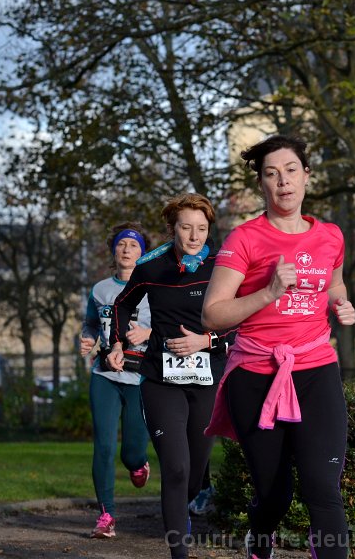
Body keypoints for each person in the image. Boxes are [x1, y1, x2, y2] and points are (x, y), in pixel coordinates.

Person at [202, 135, 355, 559]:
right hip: (256, 376)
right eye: (271, 174)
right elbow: (212, 315)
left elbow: (334, 284)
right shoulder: (244, 239)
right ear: (262, 185)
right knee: (275, 494)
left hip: (316, 368)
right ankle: (260, 534)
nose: (283, 181)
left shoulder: (331, 236)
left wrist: (340, 304)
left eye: (290, 170)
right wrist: (269, 292)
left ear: (306, 175)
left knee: (324, 490)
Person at [107, 193, 231, 559]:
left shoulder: (222, 265)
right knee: (176, 468)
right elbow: (123, 304)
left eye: (201, 229)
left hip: (207, 378)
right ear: (171, 228)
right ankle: (179, 551)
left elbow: (240, 320)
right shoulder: (151, 267)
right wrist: (117, 343)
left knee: (192, 474)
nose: (194, 236)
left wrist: (205, 341)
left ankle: (186, 503)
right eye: (186, 228)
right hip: (161, 379)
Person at [80, 222, 152, 539]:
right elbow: (90, 324)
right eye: (121, 244)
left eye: (133, 245)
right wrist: (87, 338)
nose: (126, 250)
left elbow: (172, 323)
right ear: (114, 251)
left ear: (143, 253)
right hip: (105, 375)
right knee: (104, 446)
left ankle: (138, 464)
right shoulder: (100, 290)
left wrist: (148, 332)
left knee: (131, 452)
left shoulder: (153, 289)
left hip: (141, 377)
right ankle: (106, 515)